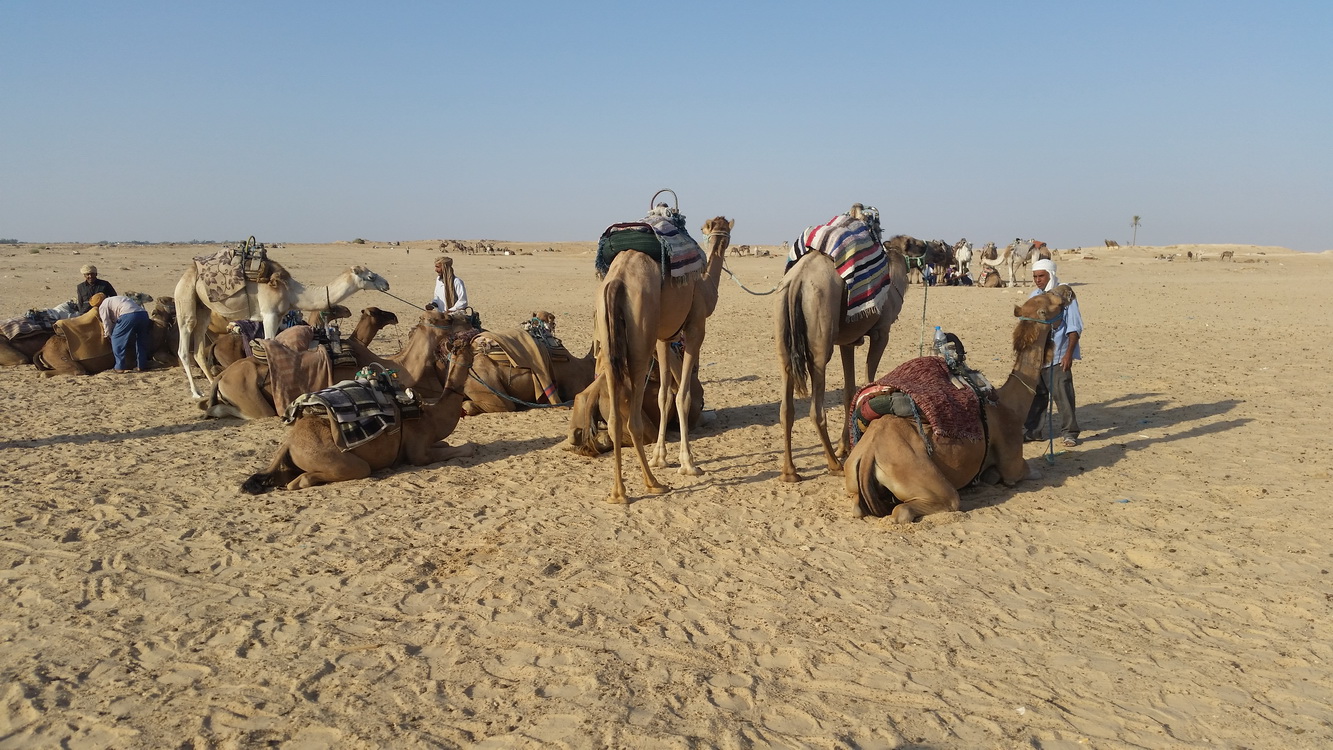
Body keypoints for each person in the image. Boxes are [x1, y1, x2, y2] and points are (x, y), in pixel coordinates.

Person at [1024, 258, 1083, 447]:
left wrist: (1068, 355)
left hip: (1058, 355)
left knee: (1063, 396)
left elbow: (1074, 327)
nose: (1037, 280)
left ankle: (1070, 433)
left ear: (1050, 275)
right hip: (1038, 357)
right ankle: (1033, 431)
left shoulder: (1065, 295)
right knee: (1037, 396)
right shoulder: (1035, 295)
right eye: (1035, 276)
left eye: (1041, 276)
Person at [98, 293, 154, 373]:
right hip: (143, 314)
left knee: (116, 339)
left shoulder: (103, 305)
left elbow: (106, 321)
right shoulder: (118, 298)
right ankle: (141, 366)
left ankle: (119, 367)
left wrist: (108, 334)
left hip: (128, 315)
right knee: (141, 341)